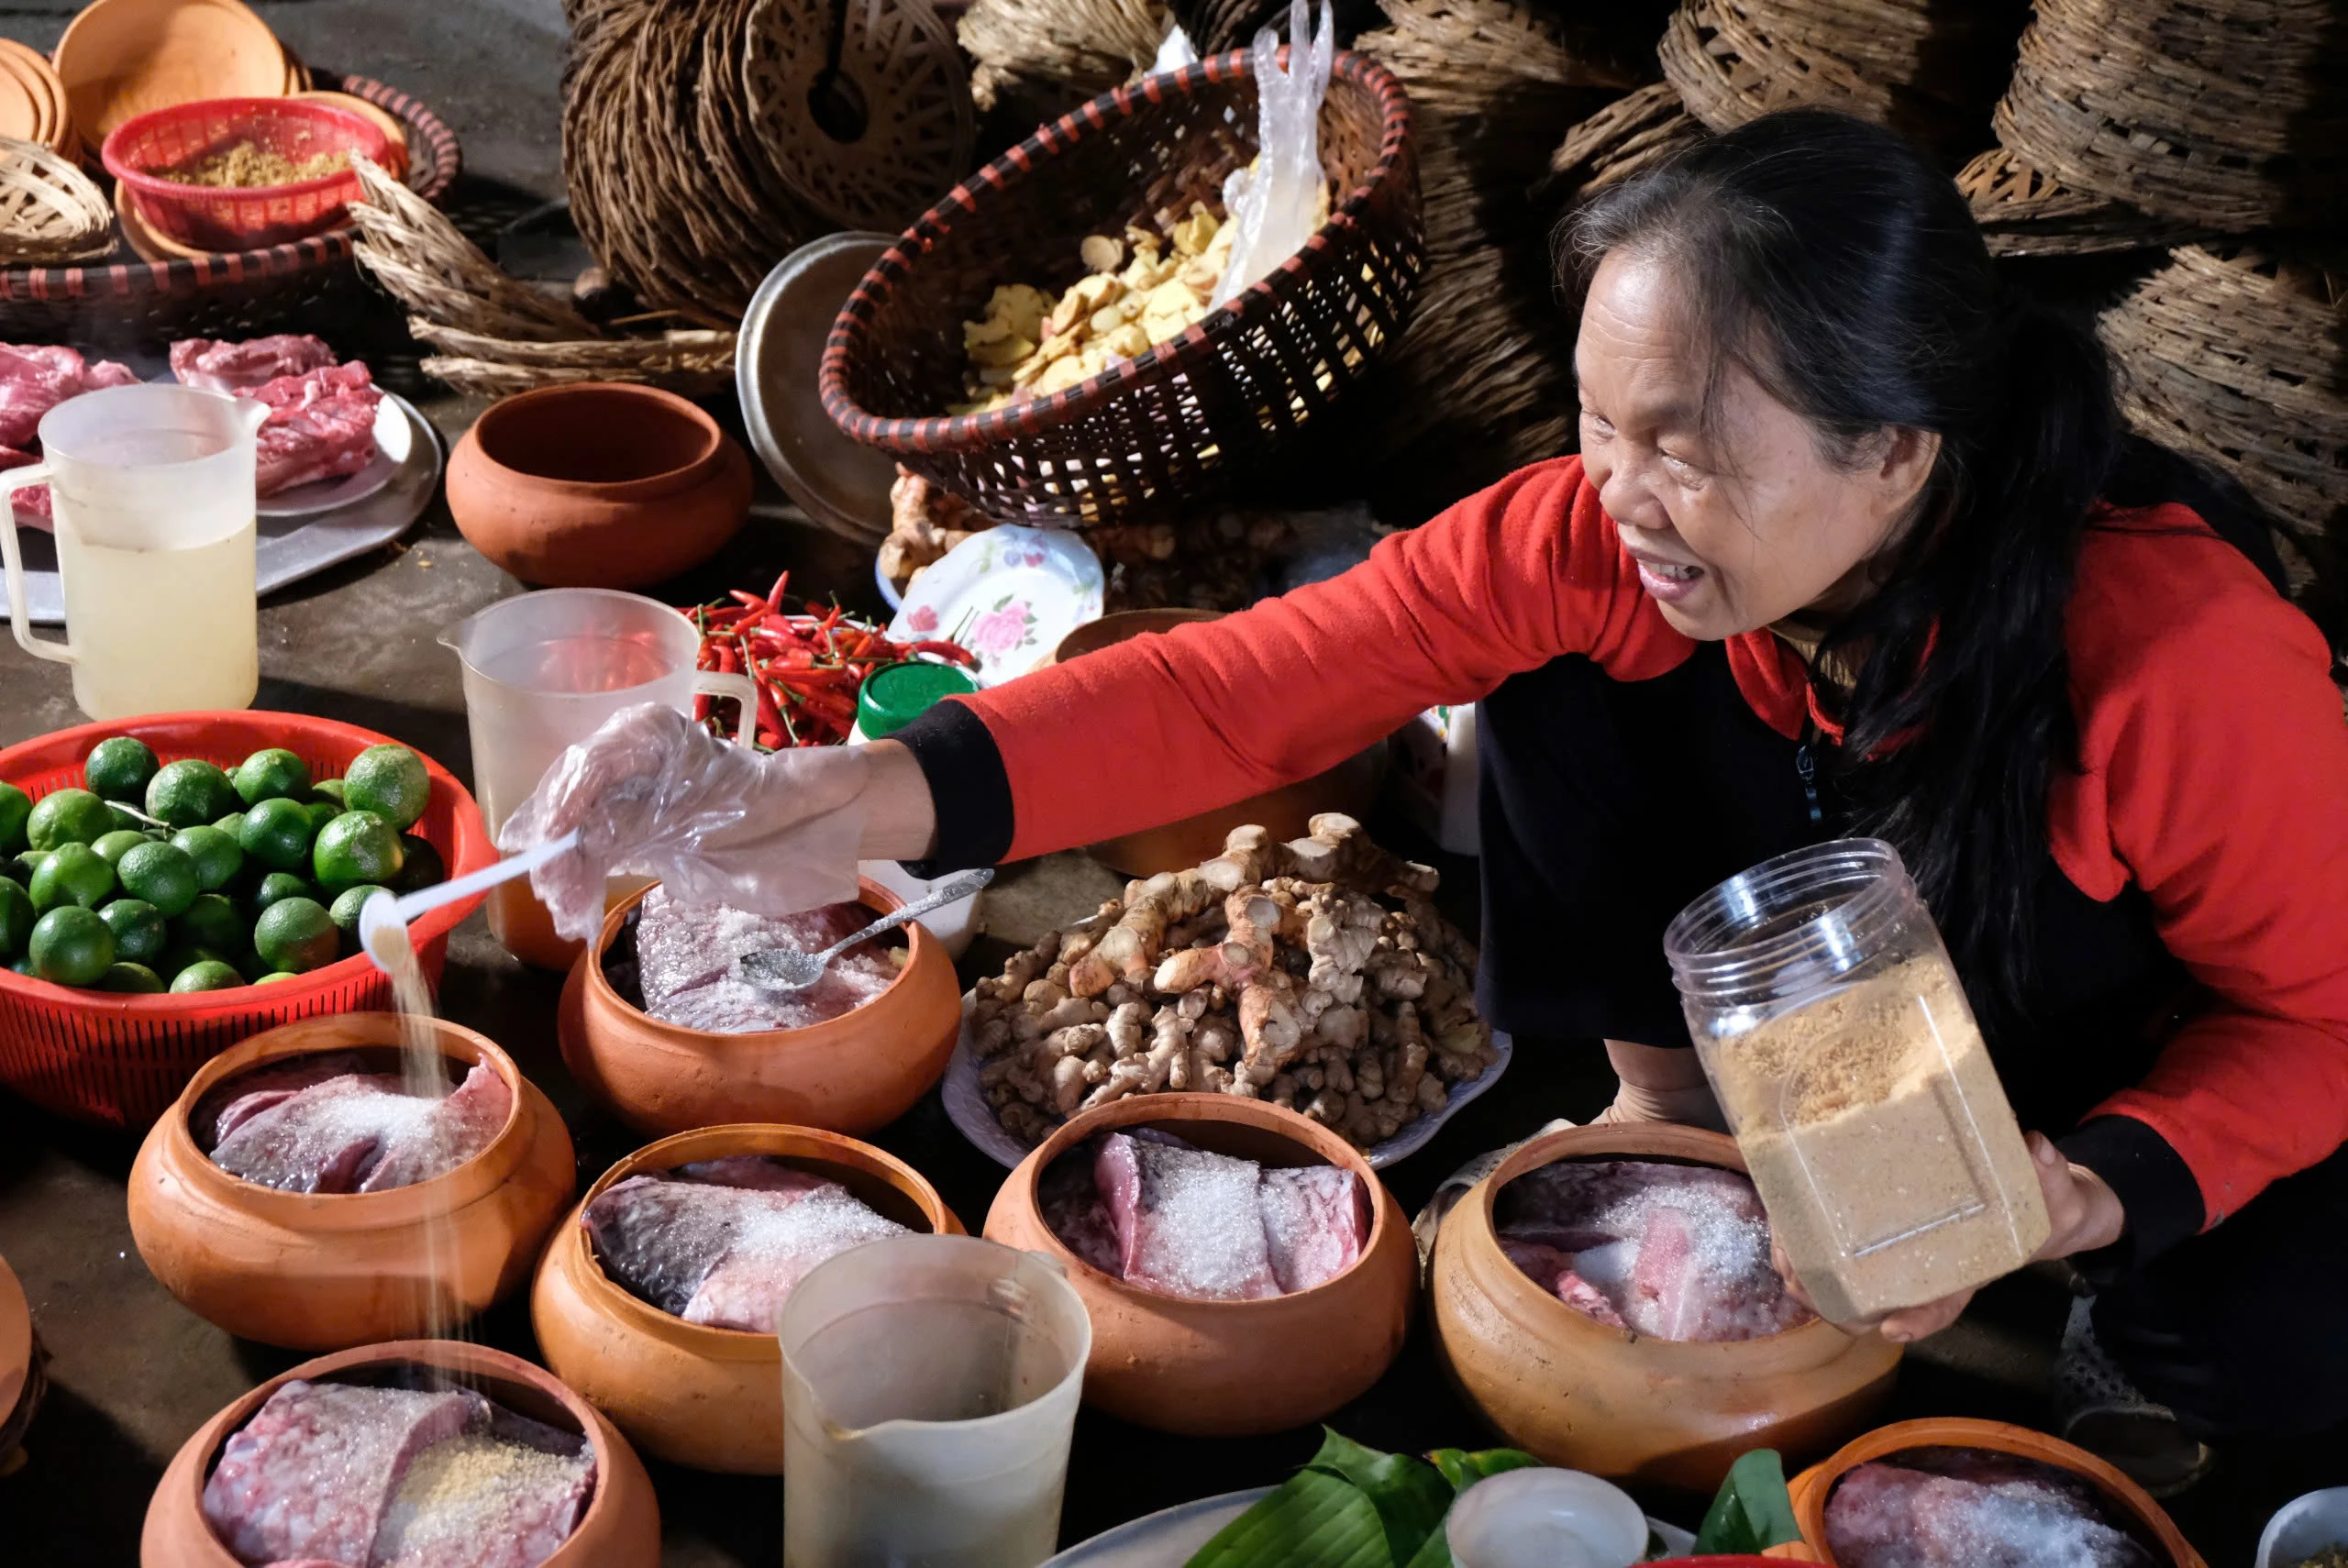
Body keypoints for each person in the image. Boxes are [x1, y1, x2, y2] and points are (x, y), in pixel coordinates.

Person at [512, 109, 2348, 1485]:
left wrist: (2077, 1194)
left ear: (1892, 451)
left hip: (2095, 1057)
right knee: (1543, 659)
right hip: (1800, 952)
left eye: (1681, 453)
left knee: (2266, 1374)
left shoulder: (2176, 664)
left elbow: (2318, 1018)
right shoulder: (1614, 541)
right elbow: (1245, 689)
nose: (1615, 490)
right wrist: (842, 797)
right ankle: (1656, 1105)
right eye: (1595, 425)